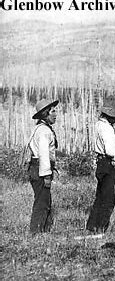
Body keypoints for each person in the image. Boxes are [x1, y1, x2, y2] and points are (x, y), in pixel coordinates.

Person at [85, 95, 115, 237]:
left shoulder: (99, 125)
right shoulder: (106, 128)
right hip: (108, 163)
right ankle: (100, 228)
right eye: (113, 115)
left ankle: (92, 227)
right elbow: (110, 150)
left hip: (101, 163)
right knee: (108, 199)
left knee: (100, 197)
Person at [29, 98, 59, 234]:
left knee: (44, 201)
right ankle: (36, 233)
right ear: (45, 114)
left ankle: (43, 231)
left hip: (36, 168)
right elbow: (44, 155)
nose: (55, 114)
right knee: (42, 203)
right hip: (40, 169)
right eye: (52, 111)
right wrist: (47, 174)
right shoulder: (44, 132)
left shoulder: (40, 129)